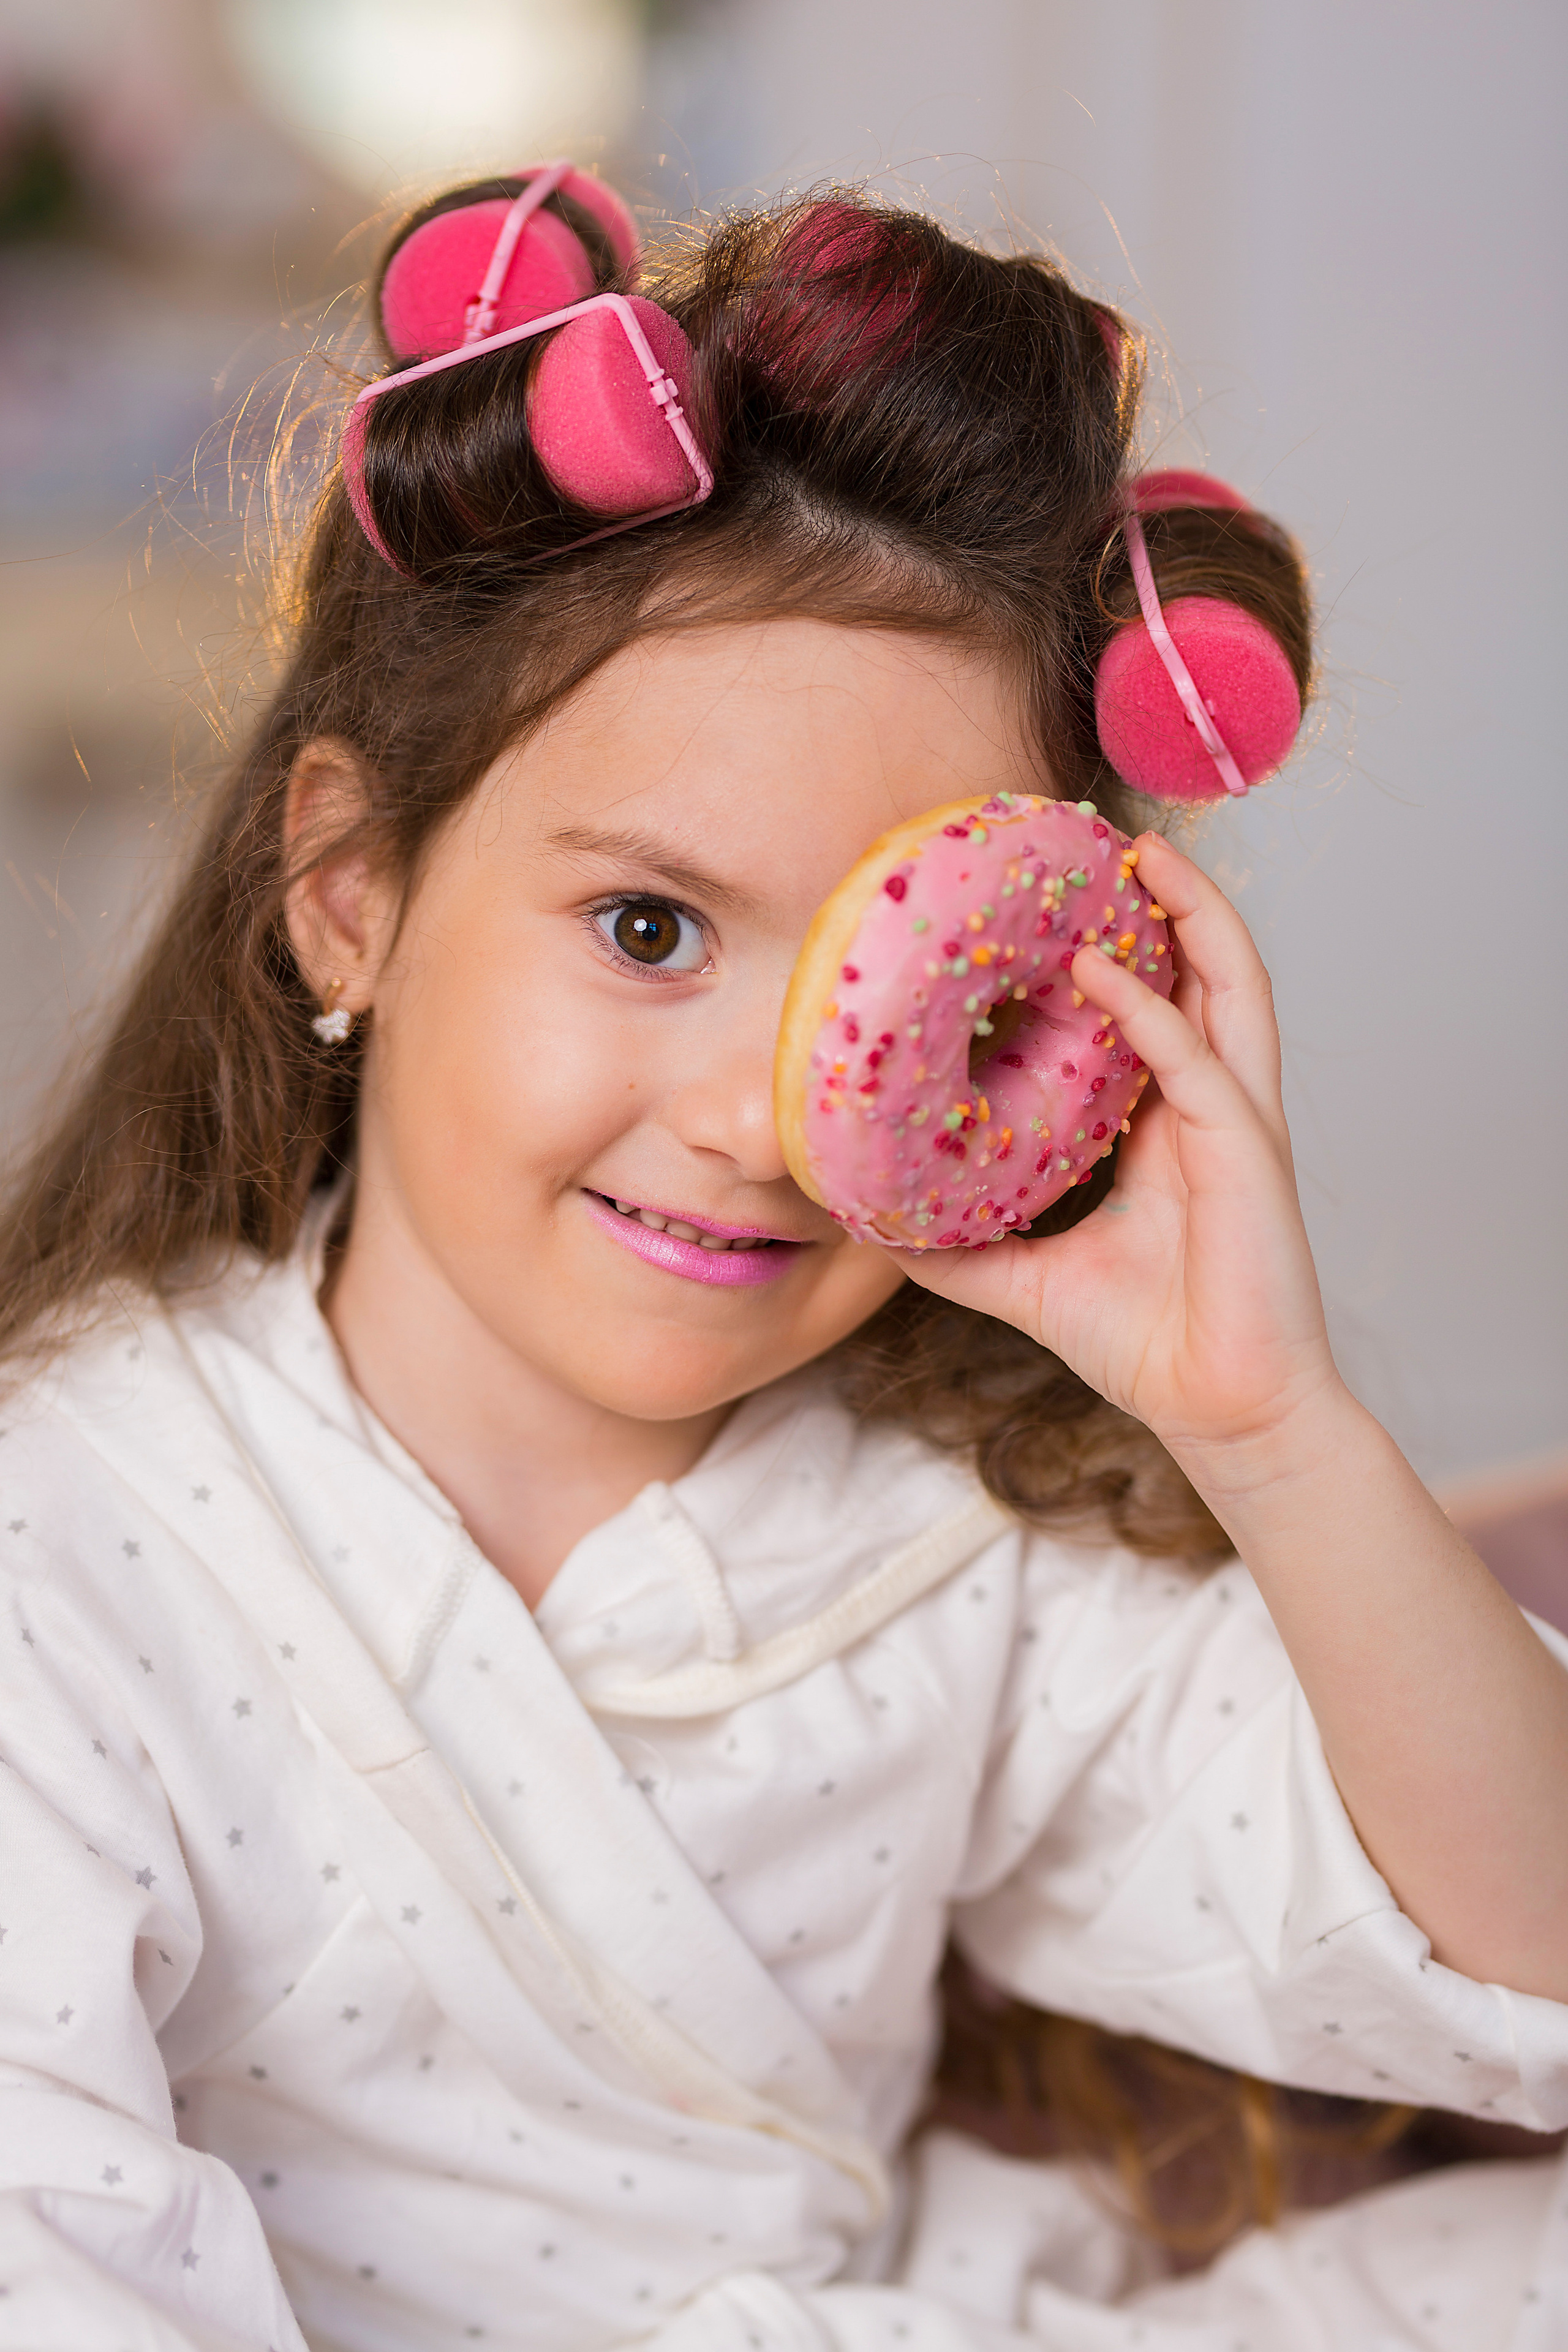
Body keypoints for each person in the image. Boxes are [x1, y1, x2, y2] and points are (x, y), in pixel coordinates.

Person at [0, 172, 1563, 2352]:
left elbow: (1533, 1962)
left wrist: (1270, 1431)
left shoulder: (943, 1521)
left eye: (887, 1000)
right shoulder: (69, 1539)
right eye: (648, 931)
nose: (759, 1123)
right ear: (349, 893)